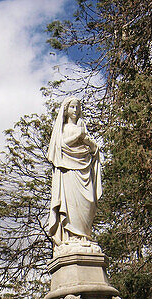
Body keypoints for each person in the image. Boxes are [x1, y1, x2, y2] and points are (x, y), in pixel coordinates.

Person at [45, 97, 102, 248]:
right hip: (68, 171)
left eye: (77, 107)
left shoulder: (82, 128)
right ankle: (71, 237)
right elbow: (60, 146)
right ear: (66, 109)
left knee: (88, 203)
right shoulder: (62, 129)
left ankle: (85, 237)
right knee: (70, 205)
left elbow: (94, 149)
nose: (75, 110)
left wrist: (88, 141)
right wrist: (78, 136)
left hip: (84, 170)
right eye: (72, 107)